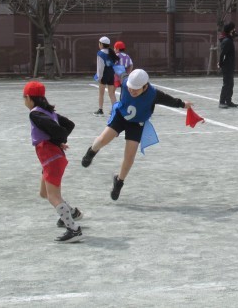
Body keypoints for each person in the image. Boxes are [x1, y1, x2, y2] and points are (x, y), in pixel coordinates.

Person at [81, 69, 194, 201]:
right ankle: (92, 151)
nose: (132, 91)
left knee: (130, 156)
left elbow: (169, 100)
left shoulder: (153, 94)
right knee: (102, 140)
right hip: (120, 116)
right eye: (130, 87)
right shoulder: (125, 80)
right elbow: (119, 69)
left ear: (145, 86)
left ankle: (119, 181)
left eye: (136, 89)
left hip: (136, 124)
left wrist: (182, 104)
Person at [23, 81, 83, 243]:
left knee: (53, 196)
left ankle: (74, 229)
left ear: (28, 97)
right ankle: (72, 213)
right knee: (44, 193)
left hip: (52, 159)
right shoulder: (48, 112)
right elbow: (69, 124)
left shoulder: (35, 114)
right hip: (51, 159)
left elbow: (59, 130)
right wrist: (58, 141)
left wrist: (58, 140)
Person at [94, 36, 119, 116]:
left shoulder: (100, 53)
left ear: (101, 44)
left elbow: (100, 67)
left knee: (101, 93)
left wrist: (99, 77)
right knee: (111, 93)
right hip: (111, 74)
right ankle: (115, 110)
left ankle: (100, 110)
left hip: (104, 75)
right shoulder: (111, 52)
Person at [218, 22, 238, 108]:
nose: (235, 31)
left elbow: (236, 35)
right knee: (226, 84)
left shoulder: (229, 39)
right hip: (227, 66)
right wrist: (220, 64)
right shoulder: (227, 41)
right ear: (230, 31)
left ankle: (228, 101)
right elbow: (222, 54)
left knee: (230, 84)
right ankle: (222, 102)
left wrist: (234, 34)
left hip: (230, 65)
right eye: (233, 29)